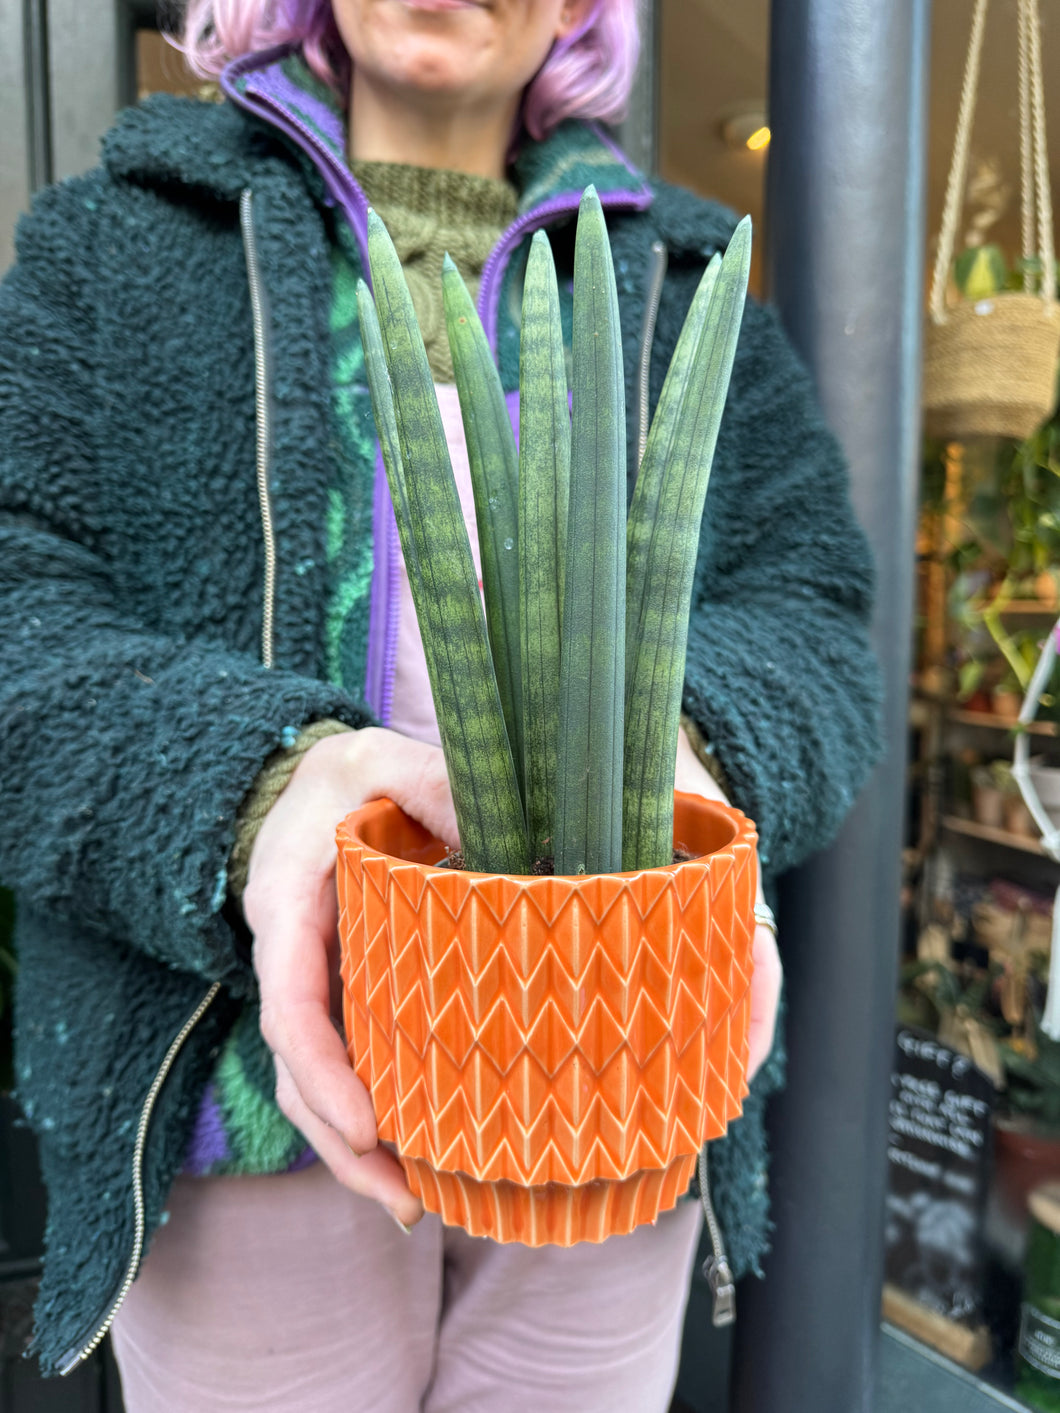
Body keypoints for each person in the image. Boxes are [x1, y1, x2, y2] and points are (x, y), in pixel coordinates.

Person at [0, 0, 880, 1408]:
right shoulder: (119, 241)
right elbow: (19, 608)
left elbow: (813, 616)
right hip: (235, 1101)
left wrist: (688, 746)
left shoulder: (683, 286)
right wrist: (257, 785)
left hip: (613, 1072)